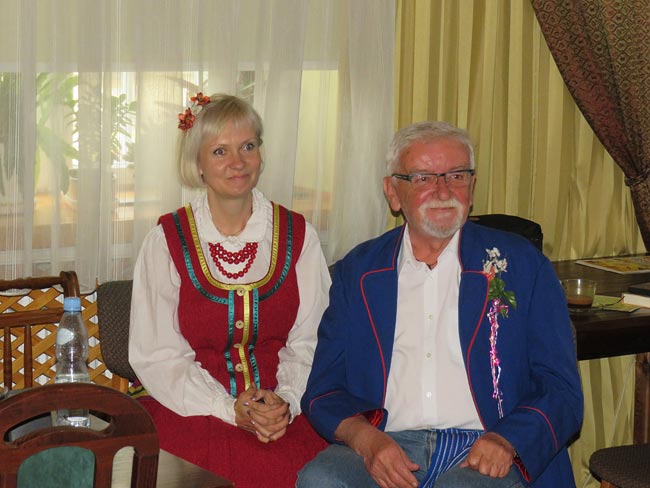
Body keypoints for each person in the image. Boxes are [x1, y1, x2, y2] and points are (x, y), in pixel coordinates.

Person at [298, 121, 583, 488]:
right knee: (321, 479)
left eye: (457, 175)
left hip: (487, 443)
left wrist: (508, 439)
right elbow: (324, 389)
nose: (443, 190)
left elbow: (561, 388)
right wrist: (365, 439)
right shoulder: (360, 271)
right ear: (393, 192)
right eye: (423, 178)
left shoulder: (521, 265)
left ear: (472, 187)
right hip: (391, 441)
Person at [129, 93, 329, 488]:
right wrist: (225, 407)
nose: (237, 162)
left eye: (248, 146)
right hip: (191, 410)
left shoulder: (298, 235)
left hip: (287, 412)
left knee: (319, 473)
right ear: (197, 164)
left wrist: (285, 401)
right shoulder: (167, 241)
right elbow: (158, 354)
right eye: (220, 151)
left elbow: (313, 338)